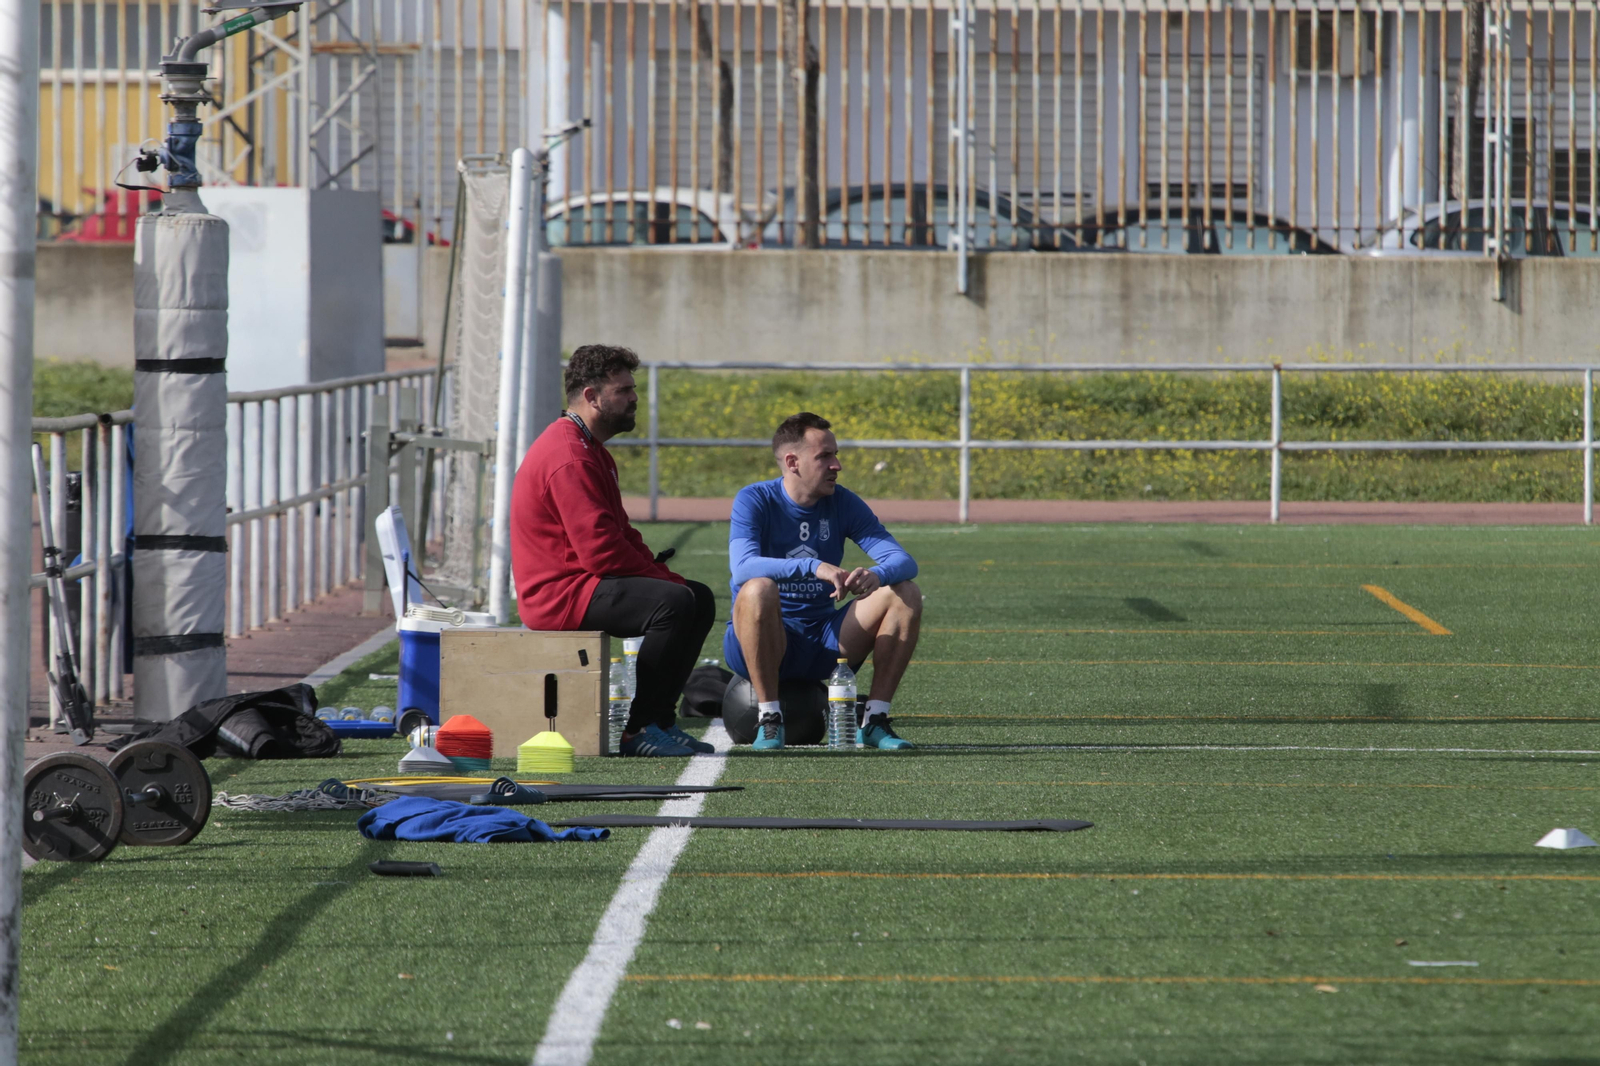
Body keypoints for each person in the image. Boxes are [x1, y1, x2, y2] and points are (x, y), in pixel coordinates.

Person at [510, 344, 716, 757]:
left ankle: (660, 720)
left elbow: (621, 533)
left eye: (632, 388)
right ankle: (638, 730)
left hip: (581, 583)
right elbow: (602, 554)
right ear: (591, 396)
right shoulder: (570, 456)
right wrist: (664, 580)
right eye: (623, 390)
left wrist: (661, 573)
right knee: (673, 602)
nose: (634, 397)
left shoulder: (590, 449)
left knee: (699, 597)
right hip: (559, 594)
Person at [724, 412, 922, 751]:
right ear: (792, 462)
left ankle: (874, 720)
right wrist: (812, 566)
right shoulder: (754, 499)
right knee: (758, 588)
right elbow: (742, 568)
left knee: (904, 592)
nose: (837, 465)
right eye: (824, 456)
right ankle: (770, 718)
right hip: (760, 638)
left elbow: (904, 561)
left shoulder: (843, 501)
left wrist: (876, 575)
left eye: (836, 454)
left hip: (824, 639)